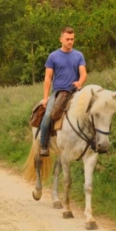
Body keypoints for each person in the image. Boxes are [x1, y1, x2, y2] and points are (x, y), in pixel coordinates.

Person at [39, 26, 87, 156]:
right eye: (67, 39)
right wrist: (45, 97)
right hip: (58, 92)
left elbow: (83, 73)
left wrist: (80, 82)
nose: (70, 41)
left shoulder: (78, 55)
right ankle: (43, 144)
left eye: (72, 39)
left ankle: (91, 142)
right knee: (48, 115)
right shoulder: (53, 56)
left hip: (75, 92)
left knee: (90, 111)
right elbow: (48, 78)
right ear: (61, 39)